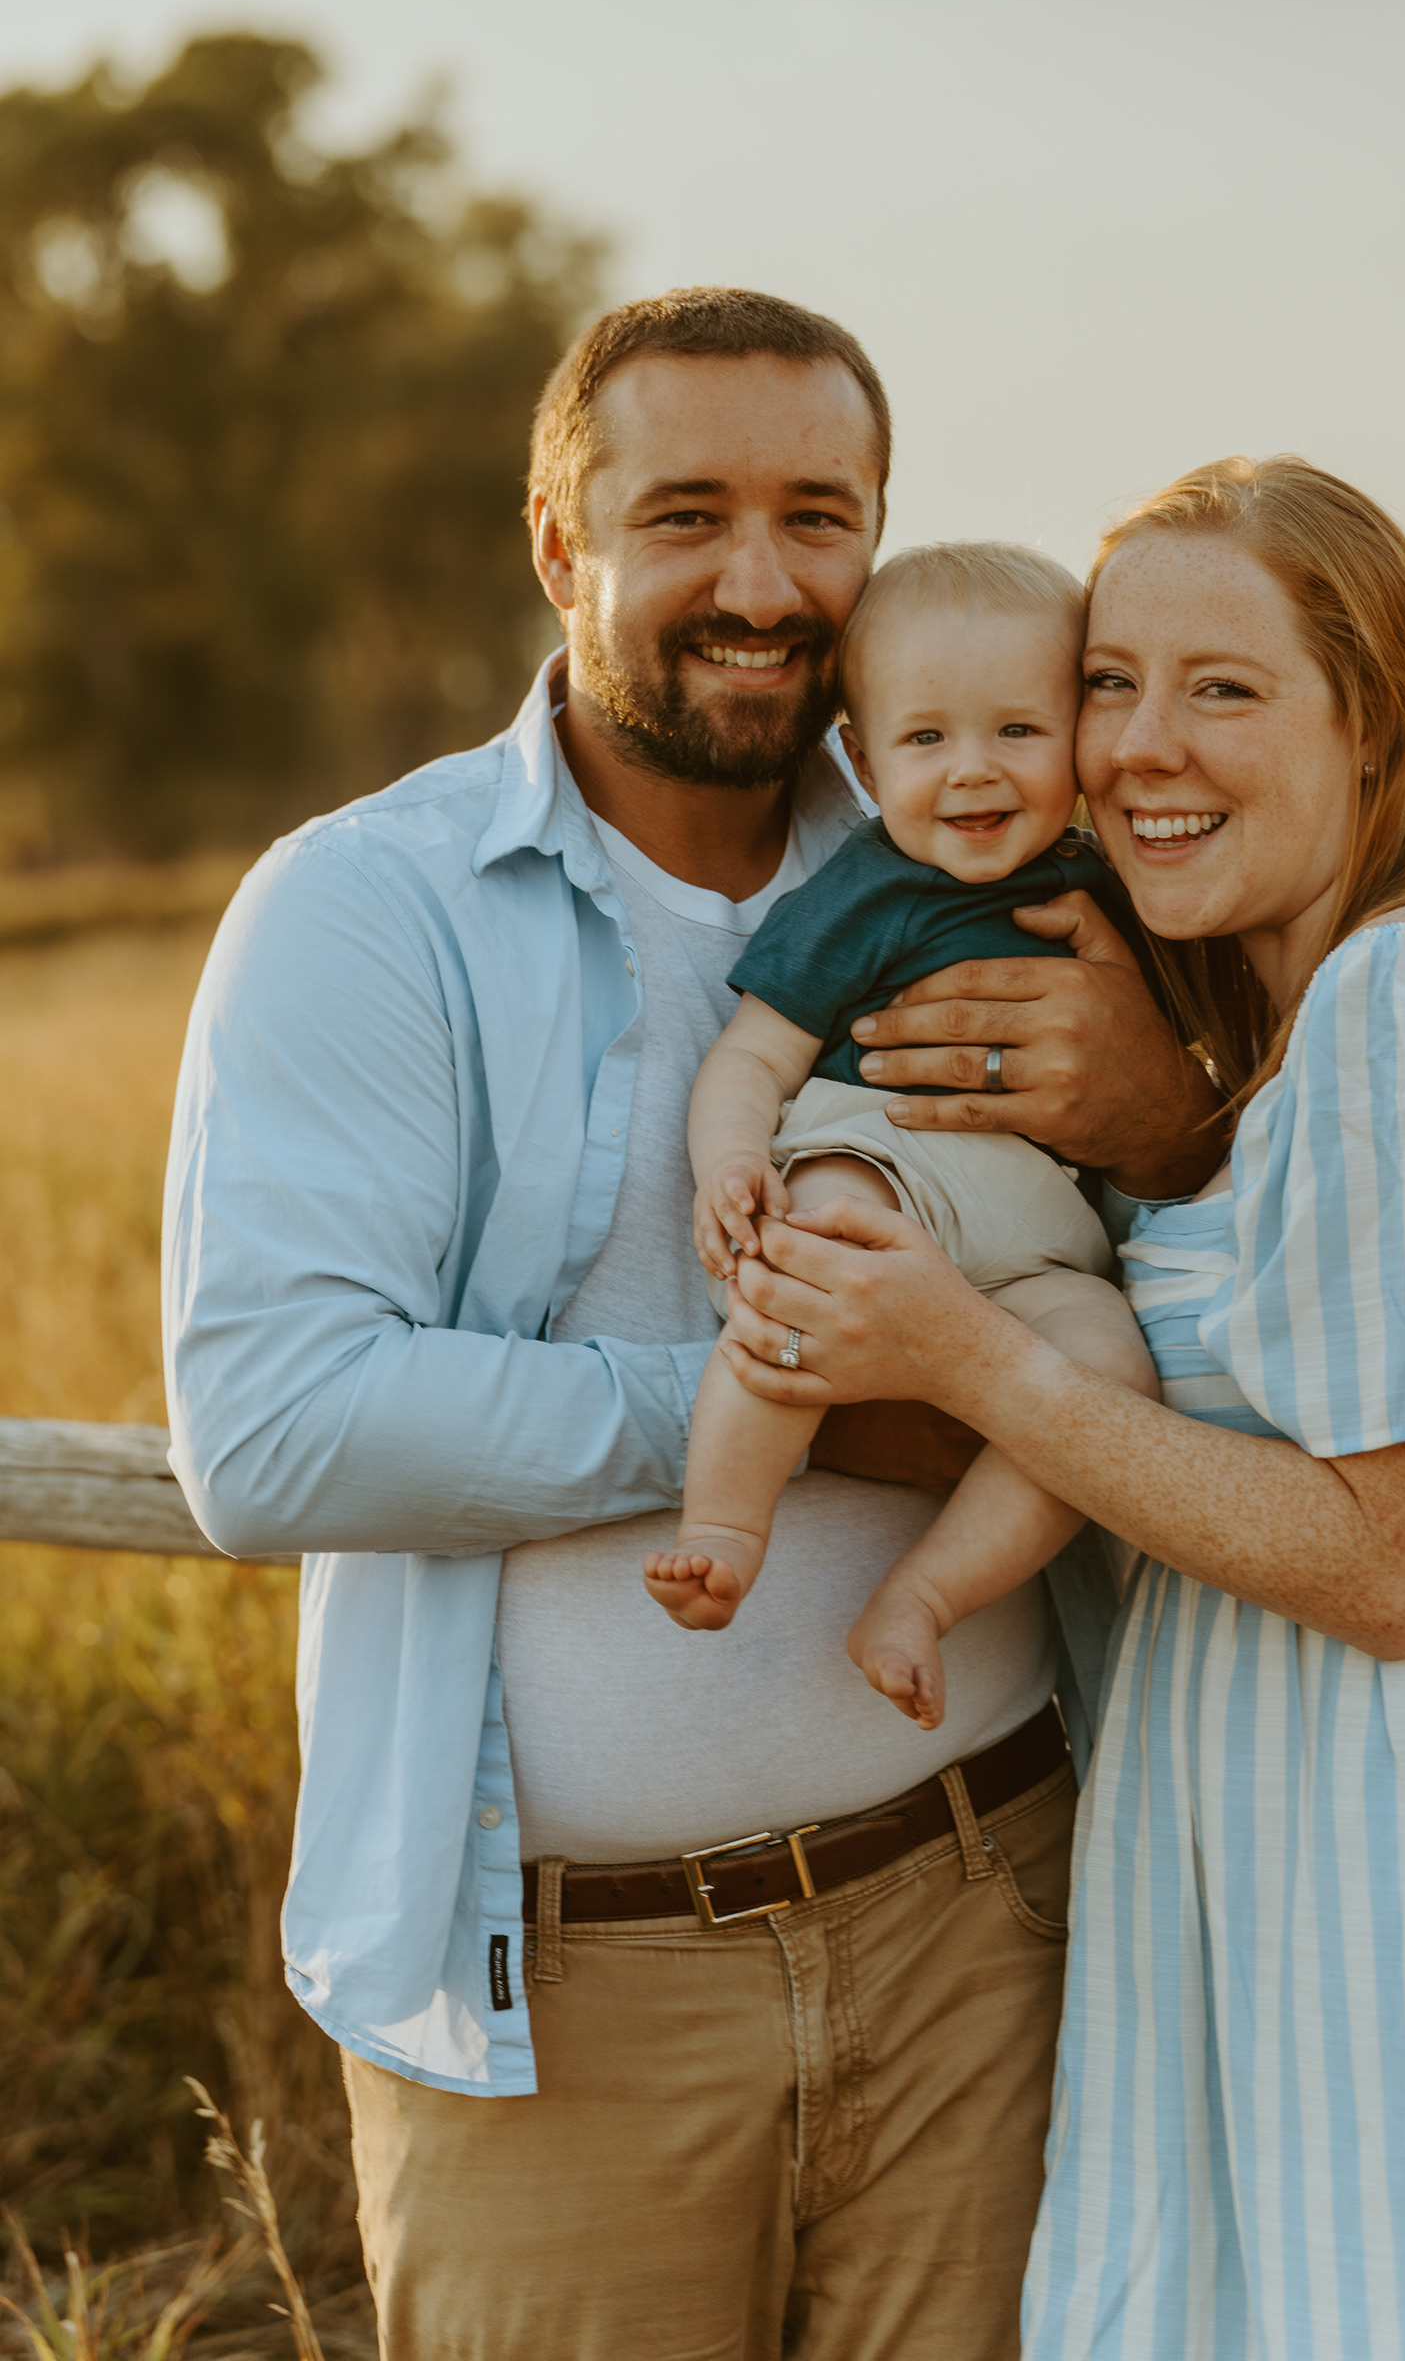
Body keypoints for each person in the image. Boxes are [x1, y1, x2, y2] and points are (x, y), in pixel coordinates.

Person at [161, 289, 1221, 2361]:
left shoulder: (984, 857)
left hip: (986, 1920)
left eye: (820, 518)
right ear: (563, 546)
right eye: (689, 517)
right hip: (569, 1997)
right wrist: (821, 1402)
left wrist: (1160, 1118)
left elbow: (1202, 1287)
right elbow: (275, 1430)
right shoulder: (368, 910)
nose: (763, 585)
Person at [711, 454, 1405, 2359]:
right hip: (1367, 1781)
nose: (1144, 746)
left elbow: (1387, 1560)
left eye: (1224, 690)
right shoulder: (1327, 1008)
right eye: (1110, 681)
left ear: (1376, 721)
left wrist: (961, 1345)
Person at [649, 541, 1160, 1730]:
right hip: (879, 1164)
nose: (973, 773)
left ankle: (925, 1598)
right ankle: (723, 1528)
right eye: (928, 741)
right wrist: (728, 1163)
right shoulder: (868, 891)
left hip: (1034, 1237)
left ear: (1079, 740)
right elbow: (754, 1058)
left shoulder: (1114, 893)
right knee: (807, 1280)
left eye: (1018, 733)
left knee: (1109, 1374)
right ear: (865, 760)